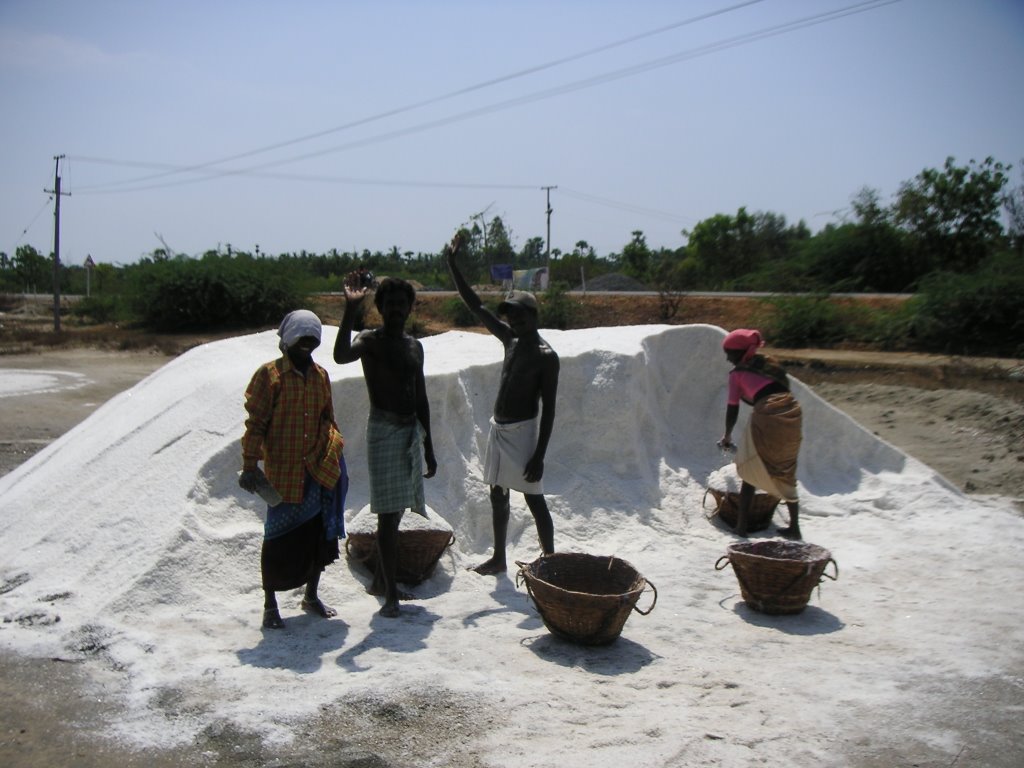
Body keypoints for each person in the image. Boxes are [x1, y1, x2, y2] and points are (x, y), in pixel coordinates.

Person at [445, 232, 560, 574]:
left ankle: (551, 561)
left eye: (520, 315)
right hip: (500, 429)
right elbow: (476, 305)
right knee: (497, 494)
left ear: (533, 315)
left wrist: (539, 455)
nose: (514, 321)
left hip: (524, 434)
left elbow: (550, 409)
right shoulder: (509, 339)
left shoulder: (546, 356)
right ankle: (499, 558)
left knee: (534, 498)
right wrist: (452, 263)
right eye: (510, 316)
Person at [334, 274, 437, 617]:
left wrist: (429, 445)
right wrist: (350, 309)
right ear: (379, 307)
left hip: (409, 431)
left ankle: (382, 582)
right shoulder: (370, 341)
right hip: (383, 430)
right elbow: (340, 355)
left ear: (410, 308)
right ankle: (390, 593)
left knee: (396, 513)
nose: (395, 309)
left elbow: (420, 397)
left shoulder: (414, 346)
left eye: (401, 304)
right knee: (388, 517)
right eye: (389, 304)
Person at [239, 309, 348, 629]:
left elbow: (327, 418)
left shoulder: (320, 376)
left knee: (317, 536)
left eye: (313, 339)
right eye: (301, 338)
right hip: (283, 475)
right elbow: (255, 424)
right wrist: (249, 464)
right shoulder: (268, 376)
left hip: (317, 470)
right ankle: (270, 604)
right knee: (277, 539)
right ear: (286, 340)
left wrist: (333, 450)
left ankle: (310, 596)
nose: (307, 344)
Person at [717, 328, 803, 539]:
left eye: (730, 353)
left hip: (768, 416)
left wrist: (727, 435)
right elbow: (783, 390)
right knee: (786, 467)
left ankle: (741, 526)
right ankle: (795, 528)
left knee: (750, 467)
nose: (728, 358)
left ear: (740, 353)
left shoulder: (737, 375)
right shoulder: (769, 363)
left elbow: (733, 407)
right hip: (792, 413)